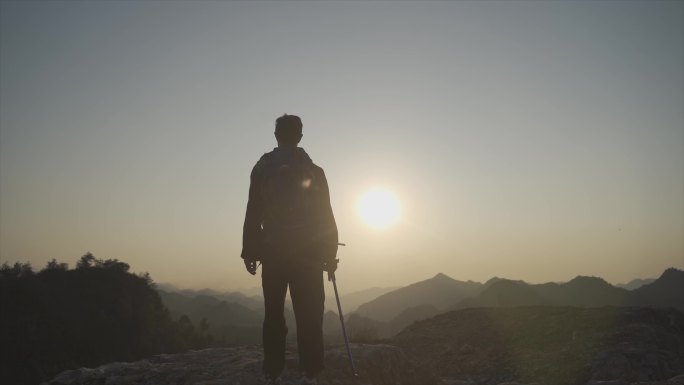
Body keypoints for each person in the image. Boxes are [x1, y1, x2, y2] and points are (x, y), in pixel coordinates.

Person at [241, 114, 339, 385]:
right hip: (308, 254)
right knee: (309, 313)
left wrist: (249, 250)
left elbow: (253, 211)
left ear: (276, 135)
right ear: (300, 136)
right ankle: (312, 370)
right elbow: (326, 216)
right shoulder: (314, 171)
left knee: (273, 312)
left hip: (272, 253)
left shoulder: (262, 168)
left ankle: (273, 369)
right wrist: (329, 255)